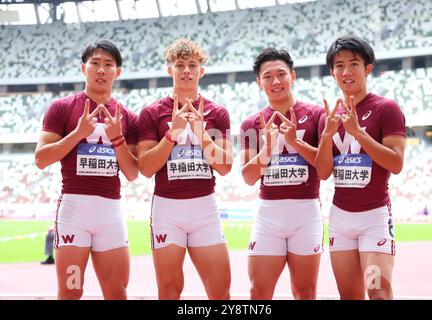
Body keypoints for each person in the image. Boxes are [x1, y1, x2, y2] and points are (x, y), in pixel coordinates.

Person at [34, 39, 139, 300]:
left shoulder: (128, 116)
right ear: (84, 69)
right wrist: (77, 134)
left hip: (110, 213)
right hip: (74, 212)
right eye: (95, 63)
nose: (101, 70)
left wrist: (117, 139)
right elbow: (41, 158)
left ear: (118, 72)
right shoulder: (61, 108)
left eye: (108, 64)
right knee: (71, 291)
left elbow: (133, 172)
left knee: (116, 293)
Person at [137, 38, 233, 300]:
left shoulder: (218, 112)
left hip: (205, 208)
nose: (187, 70)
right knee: (169, 290)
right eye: (180, 65)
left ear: (202, 70)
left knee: (220, 291)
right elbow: (145, 168)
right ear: (170, 70)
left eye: (193, 65)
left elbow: (225, 166)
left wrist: (202, 134)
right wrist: (173, 133)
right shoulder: (152, 113)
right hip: (167, 208)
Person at [315, 35, 406, 300]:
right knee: (350, 295)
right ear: (332, 73)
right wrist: (327, 135)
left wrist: (360, 134)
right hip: (340, 218)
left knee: (378, 291)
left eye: (353, 63)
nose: (346, 71)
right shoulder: (328, 117)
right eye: (339, 65)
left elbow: (396, 163)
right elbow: (322, 173)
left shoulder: (386, 108)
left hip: (374, 217)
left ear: (367, 67)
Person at [240, 48, 324, 300]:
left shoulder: (317, 115)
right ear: (259, 82)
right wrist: (267, 147)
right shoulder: (251, 123)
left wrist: (295, 142)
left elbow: (324, 168)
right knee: (259, 292)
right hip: (269, 215)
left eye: (281, 74)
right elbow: (248, 176)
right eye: (267, 76)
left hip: (306, 213)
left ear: (293, 76)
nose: (275, 81)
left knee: (305, 292)